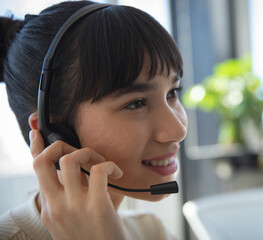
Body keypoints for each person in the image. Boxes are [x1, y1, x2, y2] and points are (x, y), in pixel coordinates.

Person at [0, 1, 187, 239]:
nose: (178, 130)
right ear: (52, 131)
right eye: (135, 103)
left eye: (173, 93)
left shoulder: (152, 231)